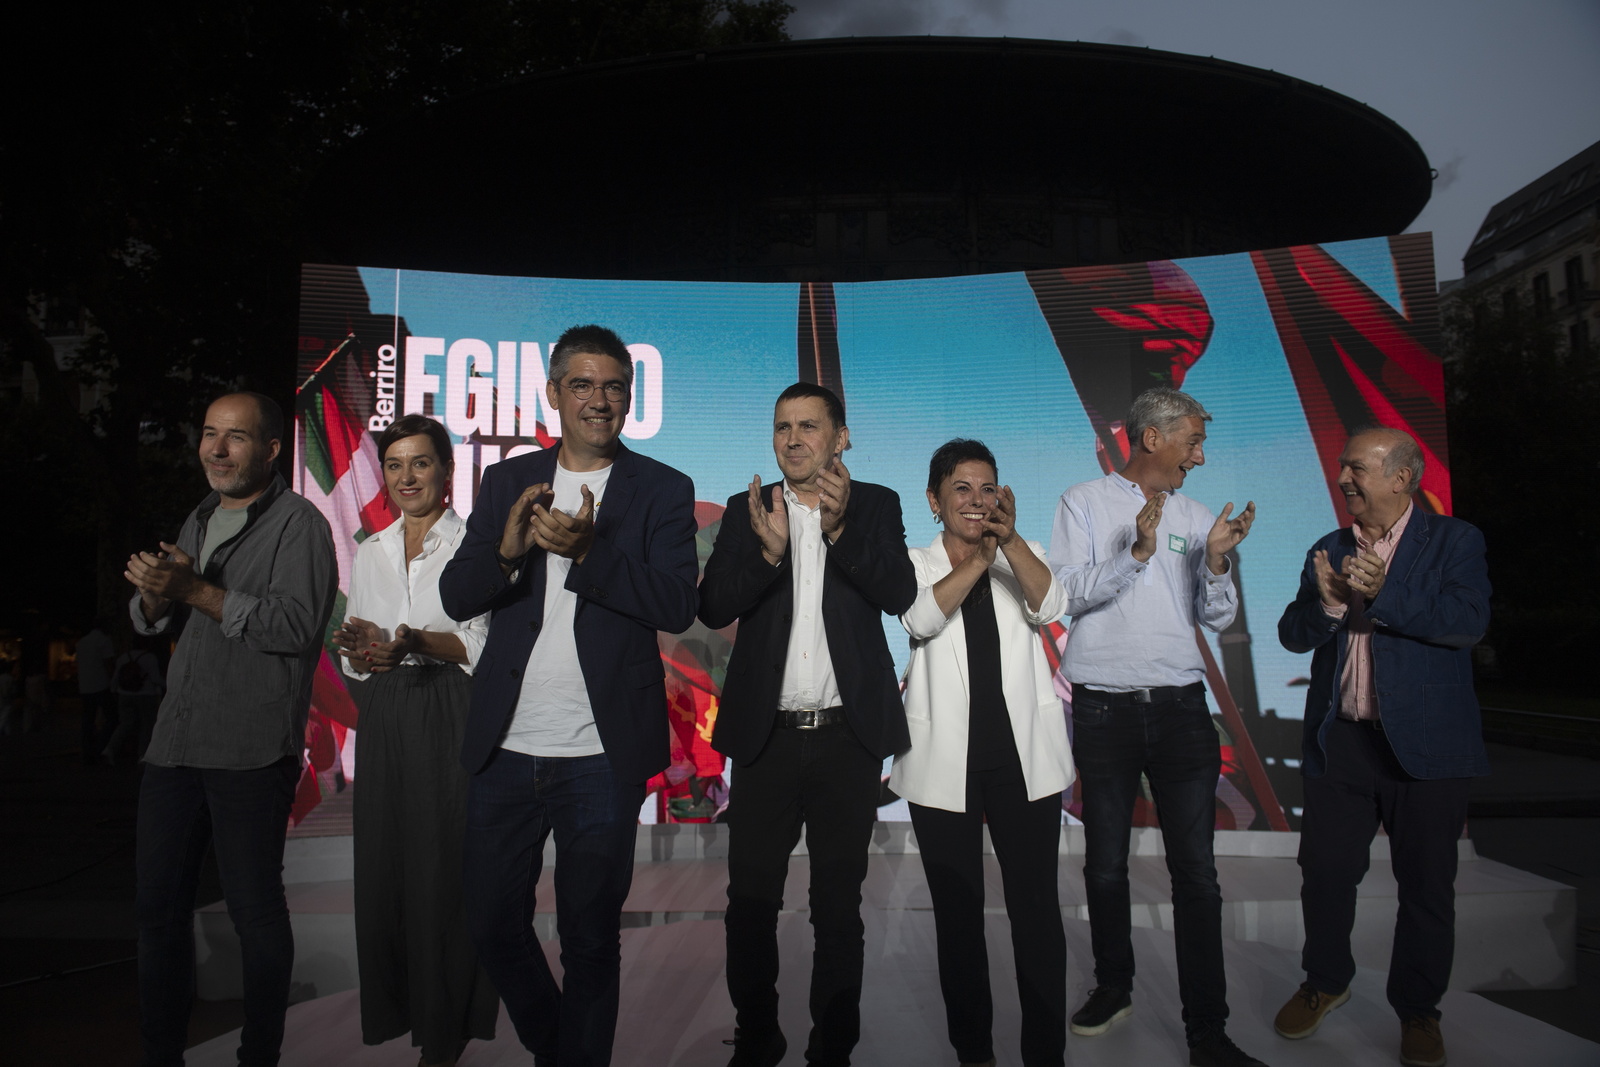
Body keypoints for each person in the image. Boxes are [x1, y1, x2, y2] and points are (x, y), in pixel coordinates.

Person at [438, 324, 698, 1067]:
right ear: (552, 393)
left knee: (590, 938)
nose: (599, 399)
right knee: (491, 923)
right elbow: (458, 594)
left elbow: (678, 603)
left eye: (614, 385)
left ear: (630, 397)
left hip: (599, 754)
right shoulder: (504, 481)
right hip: (504, 747)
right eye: (581, 384)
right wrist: (510, 551)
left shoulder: (662, 488)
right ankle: (562, 1049)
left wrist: (591, 553)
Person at [698, 381, 915, 1067]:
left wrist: (840, 527)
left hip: (846, 741)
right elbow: (711, 606)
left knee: (837, 907)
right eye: (783, 426)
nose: (793, 438)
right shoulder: (745, 510)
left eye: (809, 426)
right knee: (750, 904)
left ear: (840, 437)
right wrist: (767, 554)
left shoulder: (876, 504)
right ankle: (758, 1036)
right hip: (765, 740)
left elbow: (899, 593)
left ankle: (833, 1047)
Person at [1047, 386, 1264, 1067]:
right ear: (1152, 438)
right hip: (1104, 704)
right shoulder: (1083, 501)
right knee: (1105, 863)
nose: (1199, 456)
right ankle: (1114, 985)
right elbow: (1066, 592)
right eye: (1192, 441)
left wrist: (1220, 561)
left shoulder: (1201, 516)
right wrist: (1136, 552)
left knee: (1195, 872)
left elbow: (1218, 616)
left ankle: (1208, 1030)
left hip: (1180, 709)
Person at [124, 391, 336, 1067]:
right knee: (157, 914)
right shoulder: (200, 514)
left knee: (254, 914)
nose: (216, 449)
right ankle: (161, 1054)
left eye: (235, 437)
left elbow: (295, 626)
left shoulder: (299, 524)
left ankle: (259, 1055)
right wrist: (156, 595)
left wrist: (195, 593)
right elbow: (153, 615)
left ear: (271, 450)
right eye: (209, 434)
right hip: (175, 744)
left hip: (249, 748)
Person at [1272, 428, 1489, 1067]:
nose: (1343, 478)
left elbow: (1467, 622)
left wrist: (1385, 592)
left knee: (1426, 886)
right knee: (1327, 875)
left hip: (1427, 749)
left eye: (1356, 467)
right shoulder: (1328, 546)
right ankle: (1326, 982)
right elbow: (1291, 632)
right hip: (1343, 744)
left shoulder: (1456, 541)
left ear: (1402, 478)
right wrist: (1334, 607)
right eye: (1342, 467)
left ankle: (1419, 1011)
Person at [889, 439, 1073, 1067]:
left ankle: (1045, 1054)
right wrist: (978, 559)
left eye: (987, 487)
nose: (976, 499)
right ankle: (975, 1053)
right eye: (962, 488)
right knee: (959, 917)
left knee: (1036, 912)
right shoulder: (914, 560)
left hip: (1024, 762)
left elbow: (1051, 606)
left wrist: (1009, 546)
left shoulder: (1023, 554)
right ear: (934, 500)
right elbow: (919, 619)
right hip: (943, 763)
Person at [334, 414, 498, 1066]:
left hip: (450, 704)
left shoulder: (474, 546)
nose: (407, 477)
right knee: (385, 869)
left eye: (420, 463)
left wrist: (415, 642)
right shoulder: (370, 549)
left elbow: (485, 644)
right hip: (385, 711)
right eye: (396, 465)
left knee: (442, 869)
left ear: (447, 471)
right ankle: (403, 1008)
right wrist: (364, 652)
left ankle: (446, 1023)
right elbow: (357, 644)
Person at [106, 634, 163, 764]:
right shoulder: (150, 658)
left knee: (125, 723)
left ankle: (110, 748)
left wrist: (114, 690)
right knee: (146, 725)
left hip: (125, 694)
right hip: (146, 694)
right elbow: (155, 678)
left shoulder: (123, 657)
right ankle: (142, 754)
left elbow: (115, 678)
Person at [76, 617, 116, 764]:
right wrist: (114, 682)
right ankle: (100, 747)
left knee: (88, 719)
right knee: (112, 718)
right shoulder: (104, 640)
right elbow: (108, 664)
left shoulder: (82, 642)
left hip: (85, 686)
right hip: (101, 684)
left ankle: (87, 750)